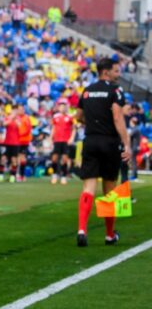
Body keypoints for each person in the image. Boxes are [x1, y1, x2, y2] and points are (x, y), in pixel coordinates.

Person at [74, 58, 132, 247]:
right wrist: (127, 143)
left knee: (88, 188)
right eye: (116, 71)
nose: (119, 74)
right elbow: (117, 117)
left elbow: (79, 117)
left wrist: (91, 124)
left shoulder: (88, 90)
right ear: (106, 72)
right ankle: (109, 235)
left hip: (90, 141)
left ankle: (82, 229)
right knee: (110, 191)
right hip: (109, 142)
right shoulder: (115, 90)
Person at [50, 100, 75, 185]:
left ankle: (64, 176)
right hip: (57, 140)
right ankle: (54, 175)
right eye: (61, 107)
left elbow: (74, 128)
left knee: (64, 159)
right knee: (54, 158)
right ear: (58, 108)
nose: (62, 108)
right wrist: (50, 138)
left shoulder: (70, 117)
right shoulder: (55, 117)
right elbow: (53, 128)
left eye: (64, 107)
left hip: (65, 140)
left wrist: (71, 138)